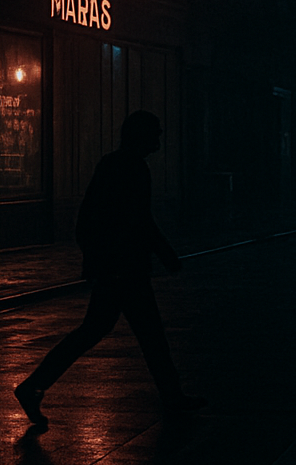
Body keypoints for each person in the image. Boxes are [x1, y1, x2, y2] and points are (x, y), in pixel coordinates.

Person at [14, 110, 206, 429]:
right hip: (124, 267)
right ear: (140, 136)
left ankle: (34, 385)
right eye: (154, 134)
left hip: (116, 266)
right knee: (146, 333)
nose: (158, 139)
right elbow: (138, 220)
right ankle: (171, 395)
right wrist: (165, 253)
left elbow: (93, 217)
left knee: (100, 331)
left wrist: (96, 259)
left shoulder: (114, 165)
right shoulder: (132, 168)